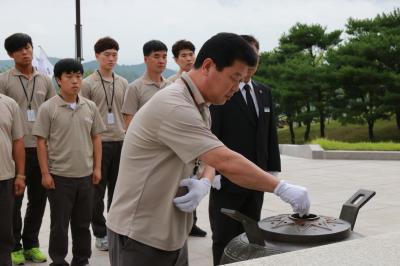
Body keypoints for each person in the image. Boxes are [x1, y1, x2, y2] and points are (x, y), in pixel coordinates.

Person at [106, 32, 310, 266]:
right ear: (208, 66)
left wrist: (204, 181)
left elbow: (208, 157)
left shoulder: (201, 106)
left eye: (242, 80)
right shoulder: (174, 105)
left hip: (170, 232)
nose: (236, 88)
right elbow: (224, 159)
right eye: (234, 78)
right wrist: (281, 188)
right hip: (140, 233)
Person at [208, 34, 281, 265]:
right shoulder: (223, 91)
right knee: (223, 235)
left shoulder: (263, 91)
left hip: (256, 177)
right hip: (227, 178)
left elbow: (270, 134)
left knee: (251, 234)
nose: (251, 63)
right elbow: (211, 133)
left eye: (255, 57)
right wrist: (213, 172)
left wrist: (272, 169)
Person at [33, 58, 106, 266]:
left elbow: (96, 138)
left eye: (78, 76)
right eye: (69, 76)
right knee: (59, 225)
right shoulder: (49, 108)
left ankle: (81, 260)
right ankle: (58, 260)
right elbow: (41, 142)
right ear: (58, 80)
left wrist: (97, 168)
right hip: (59, 177)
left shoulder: (90, 106)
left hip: (85, 176)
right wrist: (45, 173)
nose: (75, 81)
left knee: (82, 224)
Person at [0, 32, 54, 265]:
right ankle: (14, 246)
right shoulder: (4, 80)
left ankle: (31, 244)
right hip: (16, 149)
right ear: (11, 55)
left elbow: (53, 111)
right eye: (20, 49)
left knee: (38, 200)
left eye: (28, 47)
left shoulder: (44, 79)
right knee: (14, 201)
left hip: (41, 148)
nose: (26, 52)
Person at [80, 37, 128, 251]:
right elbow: (84, 115)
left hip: (121, 141)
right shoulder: (88, 83)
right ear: (97, 56)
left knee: (119, 191)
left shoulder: (123, 82)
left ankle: (115, 230)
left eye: (114, 54)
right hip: (98, 143)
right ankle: (100, 233)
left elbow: (127, 113)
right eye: (107, 54)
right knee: (96, 193)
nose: (111, 58)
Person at [168, 39, 207, 237]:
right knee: (179, 185)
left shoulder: (201, 84)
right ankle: (177, 222)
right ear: (176, 60)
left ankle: (192, 223)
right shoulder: (171, 85)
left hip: (197, 139)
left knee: (195, 180)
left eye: (191, 54)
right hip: (179, 141)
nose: (189, 58)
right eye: (183, 55)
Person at [121, 40, 171, 129]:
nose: (161, 61)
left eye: (164, 57)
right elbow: (129, 123)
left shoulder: (170, 86)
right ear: (145, 59)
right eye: (156, 56)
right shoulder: (135, 88)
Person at [0, 93, 25, 266]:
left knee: (4, 229)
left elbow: (18, 141)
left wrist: (20, 175)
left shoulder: (9, 104)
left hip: (4, 176)